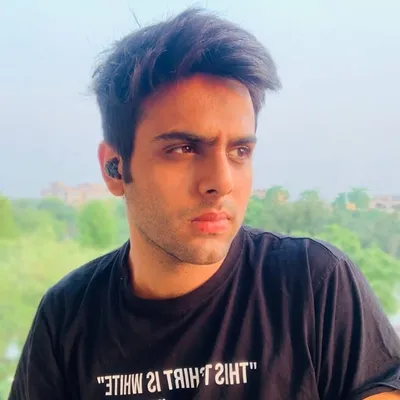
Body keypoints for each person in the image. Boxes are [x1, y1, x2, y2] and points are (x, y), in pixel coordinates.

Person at [8, 8, 400, 400]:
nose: (222, 182)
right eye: (183, 148)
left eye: (240, 151)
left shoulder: (314, 285)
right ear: (115, 168)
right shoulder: (68, 317)